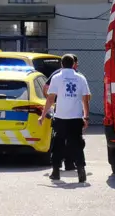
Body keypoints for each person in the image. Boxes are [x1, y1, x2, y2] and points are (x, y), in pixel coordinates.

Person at [40, 54, 91, 183]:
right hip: (75, 117)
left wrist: (43, 115)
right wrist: (86, 117)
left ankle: (56, 171)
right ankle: (81, 171)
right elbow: (86, 99)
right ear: (74, 63)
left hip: (61, 117)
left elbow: (50, 99)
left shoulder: (57, 78)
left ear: (61, 64)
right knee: (77, 144)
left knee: (58, 144)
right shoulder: (81, 78)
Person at [45, 67, 76, 172]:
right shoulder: (79, 77)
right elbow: (86, 97)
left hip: (61, 114)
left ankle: (58, 167)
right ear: (74, 64)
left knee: (60, 140)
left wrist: (52, 101)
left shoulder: (56, 75)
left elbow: (46, 88)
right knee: (70, 140)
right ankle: (68, 164)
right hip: (72, 114)